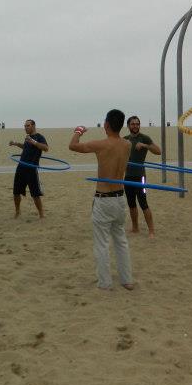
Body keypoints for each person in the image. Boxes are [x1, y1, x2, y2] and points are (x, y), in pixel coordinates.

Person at [69, 109, 134, 290]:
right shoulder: (127, 144)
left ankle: (105, 283)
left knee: (102, 243)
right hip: (120, 198)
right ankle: (126, 280)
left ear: (106, 124)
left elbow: (73, 146)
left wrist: (78, 131)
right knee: (120, 240)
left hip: (104, 199)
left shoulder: (101, 145)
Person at [124, 115, 162, 237]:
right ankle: (135, 228)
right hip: (128, 177)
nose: (135, 126)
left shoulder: (144, 138)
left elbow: (158, 151)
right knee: (131, 204)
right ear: (128, 126)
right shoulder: (124, 139)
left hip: (140, 177)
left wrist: (145, 146)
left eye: (137, 124)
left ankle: (151, 230)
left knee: (143, 203)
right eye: (133, 124)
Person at [9, 119, 48, 219]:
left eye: (28, 126)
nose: (25, 127)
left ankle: (41, 214)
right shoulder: (28, 137)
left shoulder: (39, 137)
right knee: (16, 192)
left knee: (35, 194)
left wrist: (34, 142)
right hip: (21, 168)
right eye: (25, 126)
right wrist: (16, 143)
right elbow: (26, 148)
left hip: (32, 168)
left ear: (33, 126)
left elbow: (45, 148)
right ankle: (17, 211)